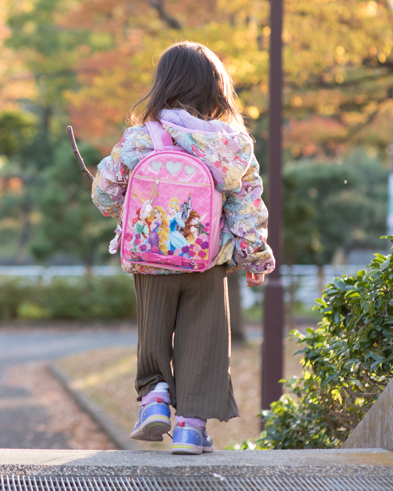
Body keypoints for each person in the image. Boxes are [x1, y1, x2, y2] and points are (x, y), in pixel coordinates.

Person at [90, 41, 275, 455]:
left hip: (150, 255)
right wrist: (255, 256)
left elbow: (105, 196)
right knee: (205, 340)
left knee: (153, 331)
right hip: (206, 261)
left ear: (162, 84)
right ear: (216, 89)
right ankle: (191, 429)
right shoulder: (234, 145)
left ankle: (154, 398)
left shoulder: (142, 138)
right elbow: (248, 207)